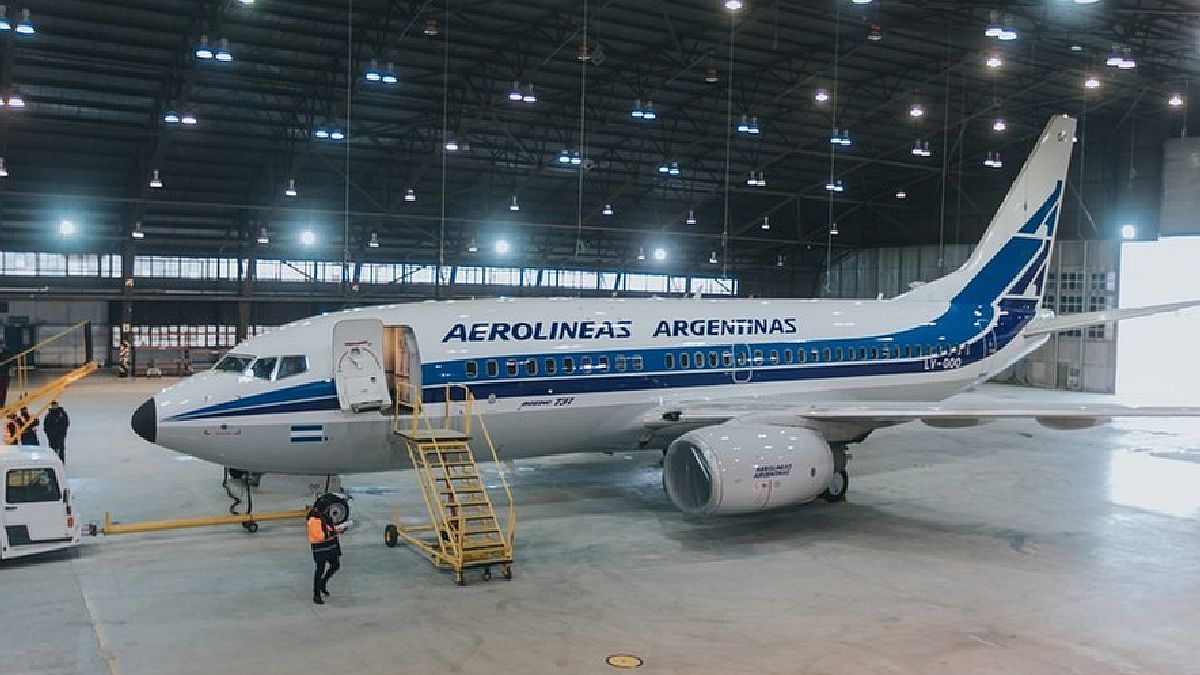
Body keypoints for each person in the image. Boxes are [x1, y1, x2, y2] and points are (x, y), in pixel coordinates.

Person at [306, 498, 345, 604]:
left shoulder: (323, 516)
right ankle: (316, 594)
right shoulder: (314, 519)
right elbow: (319, 536)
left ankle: (323, 582)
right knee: (320, 570)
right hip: (321, 549)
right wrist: (334, 532)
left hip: (330, 546)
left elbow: (327, 528)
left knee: (335, 565)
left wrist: (336, 529)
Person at [0, 342, 13, 408]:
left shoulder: (7, 353)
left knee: (3, 391)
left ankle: (2, 405)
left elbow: (9, 362)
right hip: (3, 374)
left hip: (4, 374)